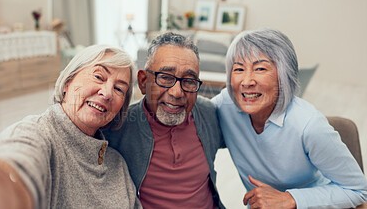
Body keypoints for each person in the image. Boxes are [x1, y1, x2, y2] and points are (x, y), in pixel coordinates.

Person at [0, 45, 142, 208]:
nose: (107, 93)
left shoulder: (117, 164)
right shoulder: (36, 134)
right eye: (98, 77)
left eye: (119, 89)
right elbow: (18, 164)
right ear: (68, 82)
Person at [212, 28, 367, 208]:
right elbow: (193, 119)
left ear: (284, 75)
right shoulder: (226, 105)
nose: (246, 81)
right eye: (238, 68)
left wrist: (290, 199)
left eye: (260, 68)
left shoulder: (309, 126)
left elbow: (358, 189)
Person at [102, 32, 226, 208]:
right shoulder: (117, 126)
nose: (177, 92)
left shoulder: (209, 113)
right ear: (143, 82)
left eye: (189, 81)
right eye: (166, 77)